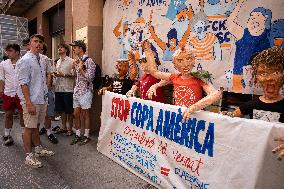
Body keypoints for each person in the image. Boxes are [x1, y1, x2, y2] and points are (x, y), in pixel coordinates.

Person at [143, 40, 222, 122]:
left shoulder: (199, 78)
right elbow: (155, 72)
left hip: (194, 118)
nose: (185, 64)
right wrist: (147, 50)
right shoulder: (175, 77)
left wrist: (193, 108)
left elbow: (215, 94)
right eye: (180, 61)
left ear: (193, 60)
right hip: (178, 116)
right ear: (175, 64)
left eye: (188, 59)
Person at [17, 34, 54, 168]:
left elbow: (43, 79)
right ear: (30, 44)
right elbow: (23, 83)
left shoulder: (42, 59)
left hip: (41, 99)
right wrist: (28, 102)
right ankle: (28, 156)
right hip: (31, 100)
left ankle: (38, 149)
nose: (38, 44)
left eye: (40, 42)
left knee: (36, 127)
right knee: (29, 128)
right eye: (35, 41)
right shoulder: (25, 60)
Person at [223, 47, 284, 123]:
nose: (269, 78)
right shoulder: (252, 104)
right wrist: (226, 115)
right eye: (263, 73)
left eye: (276, 73)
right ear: (257, 76)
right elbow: (232, 115)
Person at [69, 40, 96, 145]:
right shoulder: (77, 60)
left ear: (81, 48)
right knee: (75, 114)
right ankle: (77, 134)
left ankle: (86, 135)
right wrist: (73, 68)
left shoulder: (89, 61)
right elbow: (73, 76)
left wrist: (81, 70)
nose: (73, 49)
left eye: (75, 47)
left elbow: (90, 78)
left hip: (86, 91)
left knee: (85, 114)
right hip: (77, 91)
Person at [0, 44, 24, 146]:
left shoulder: (24, 62)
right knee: (8, 114)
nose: (8, 53)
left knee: (23, 115)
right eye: (7, 51)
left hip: (21, 94)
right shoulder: (3, 64)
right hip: (8, 93)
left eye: (10, 51)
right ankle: (7, 134)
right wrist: (1, 90)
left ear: (17, 52)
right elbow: (1, 78)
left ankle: (25, 135)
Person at [38, 43, 58, 144]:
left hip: (46, 90)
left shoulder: (46, 59)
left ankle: (49, 132)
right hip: (35, 92)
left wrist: (48, 87)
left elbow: (50, 74)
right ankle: (41, 130)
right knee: (37, 114)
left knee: (48, 113)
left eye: (40, 47)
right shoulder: (29, 58)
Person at [53, 43, 75, 136]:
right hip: (58, 88)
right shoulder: (57, 61)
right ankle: (63, 127)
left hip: (68, 89)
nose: (59, 49)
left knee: (69, 110)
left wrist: (64, 75)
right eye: (58, 47)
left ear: (66, 50)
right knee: (61, 109)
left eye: (61, 47)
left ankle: (70, 129)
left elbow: (74, 75)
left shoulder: (71, 61)